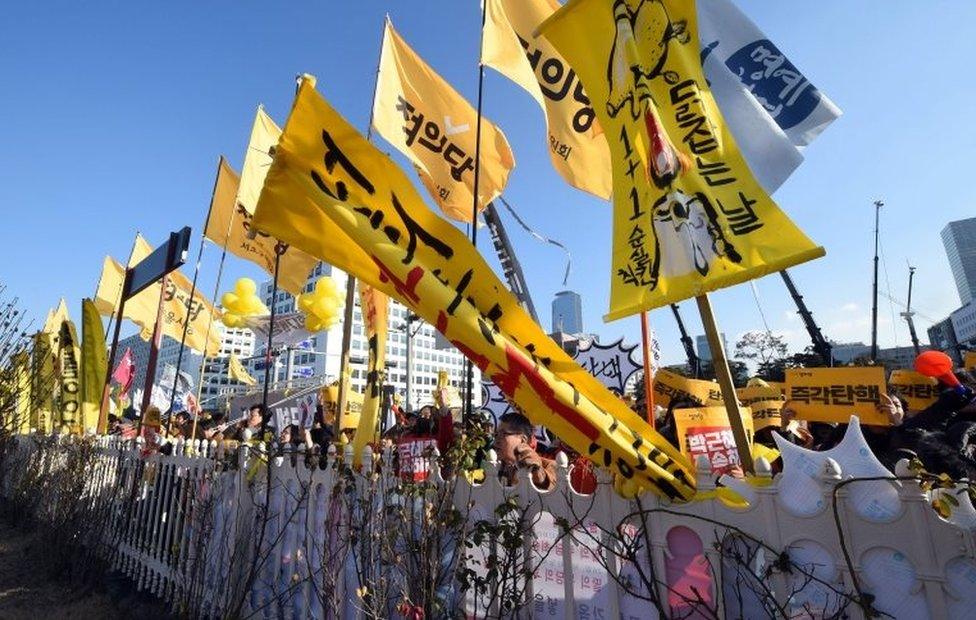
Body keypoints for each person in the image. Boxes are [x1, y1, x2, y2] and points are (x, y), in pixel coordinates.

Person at [494, 412, 557, 490]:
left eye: (503, 434)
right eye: (496, 435)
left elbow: (551, 489)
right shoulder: (492, 467)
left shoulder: (549, 465)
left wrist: (536, 471)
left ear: (523, 440)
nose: (496, 440)